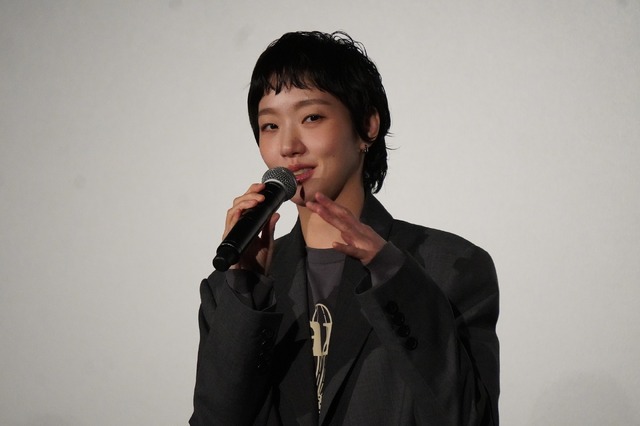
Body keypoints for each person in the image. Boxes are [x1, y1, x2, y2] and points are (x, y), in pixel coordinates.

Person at [190, 31, 499, 426]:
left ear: (368, 126)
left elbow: (470, 417)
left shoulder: (450, 267)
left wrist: (390, 274)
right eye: (269, 126)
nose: (288, 146)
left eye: (311, 117)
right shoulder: (232, 291)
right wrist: (246, 294)